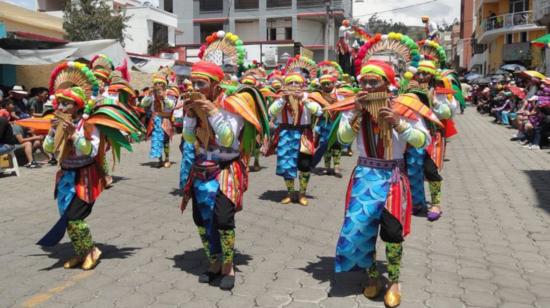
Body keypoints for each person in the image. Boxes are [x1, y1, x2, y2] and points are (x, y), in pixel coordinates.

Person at [332, 60, 434, 308]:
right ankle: (373, 277)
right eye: (363, 82)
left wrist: (399, 123)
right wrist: (356, 112)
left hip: (393, 178)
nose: (366, 86)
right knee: (362, 231)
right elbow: (342, 139)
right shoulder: (354, 107)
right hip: (365, 176)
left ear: (387, 85)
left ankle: (395, 282)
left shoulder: (405, 108)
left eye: (373, 82)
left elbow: (423, 140)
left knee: (392, 233)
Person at [179, 31, 269, 291]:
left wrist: (213, 111)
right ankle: (213, 261)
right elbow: (188, 139)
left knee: (222, 219)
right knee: (200, 218)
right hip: (201, 168)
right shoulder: (194, 104)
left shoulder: (233, 103)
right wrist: (189, 116)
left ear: (215, 85)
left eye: (201, 85)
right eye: (193, 84)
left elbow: (228, 140)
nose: (195, 90)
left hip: (226, 168)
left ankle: (228, 265)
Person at [37, 61, 144, 270]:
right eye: (59, 103)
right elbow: (49, 149)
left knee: (75, 219)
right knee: (67, 219)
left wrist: (74, 134)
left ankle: (92, 251)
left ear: (77, 106)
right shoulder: (58, 122)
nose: (60, 107)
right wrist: (52, 132)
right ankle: (81, 252)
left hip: (85, 176)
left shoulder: (88, 124)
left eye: (66, 104)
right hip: (65, 177)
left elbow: (91, 151)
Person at [269, 69, 323, 206]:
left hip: (304, 134)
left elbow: (319, 111)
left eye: (297, 83)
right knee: (287, 165)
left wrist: (303, 100)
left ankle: (302, 193)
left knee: (304, 165)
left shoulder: (308, 97)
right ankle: (290, 193)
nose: (293, 85)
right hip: (286, 133)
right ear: (285, 85)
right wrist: (283, 100)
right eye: (290, 83)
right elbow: (271, 112)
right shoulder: (281, 98)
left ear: (302, 85)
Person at [141, 70, 176, 168]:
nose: (158, 85)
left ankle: (167, 159)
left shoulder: (169, 94)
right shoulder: (151, 94)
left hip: (165, 119)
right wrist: (148, 95)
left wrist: (164, 97)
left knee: (165, 140)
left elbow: (171, 105)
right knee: (156, 139)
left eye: (160, 83)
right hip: (155, 120)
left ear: (164, 85)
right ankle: (159, 159)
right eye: (156, 83)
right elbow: (143, 104)